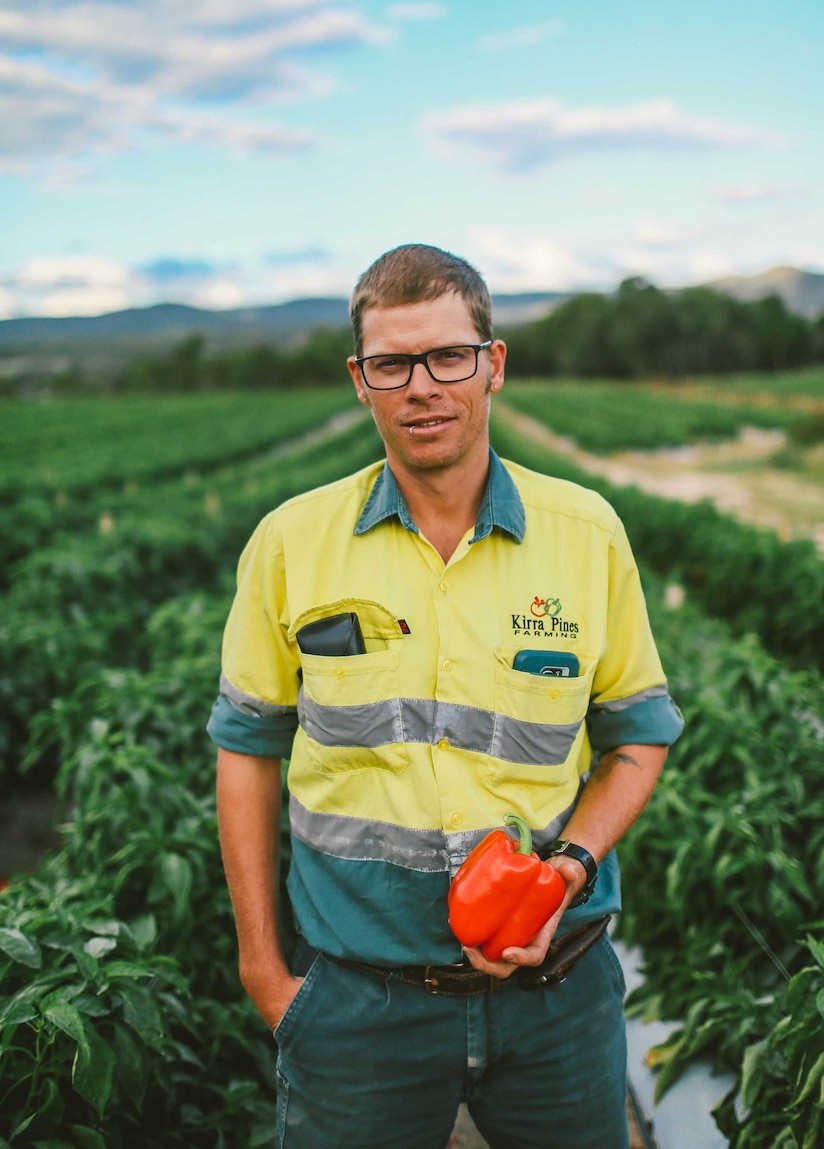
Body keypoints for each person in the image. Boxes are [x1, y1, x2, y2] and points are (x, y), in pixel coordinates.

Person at [208, 243, 684, 1149]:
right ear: (361, 380)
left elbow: (639, 734)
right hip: (358, 1000)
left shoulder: (585, 535)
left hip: (557, 998)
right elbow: (246, 751)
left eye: (447, 356)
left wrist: (568, 868)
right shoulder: (290, 544)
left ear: (492, 365)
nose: (421, 385)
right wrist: (265, 974)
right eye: (392, 363)